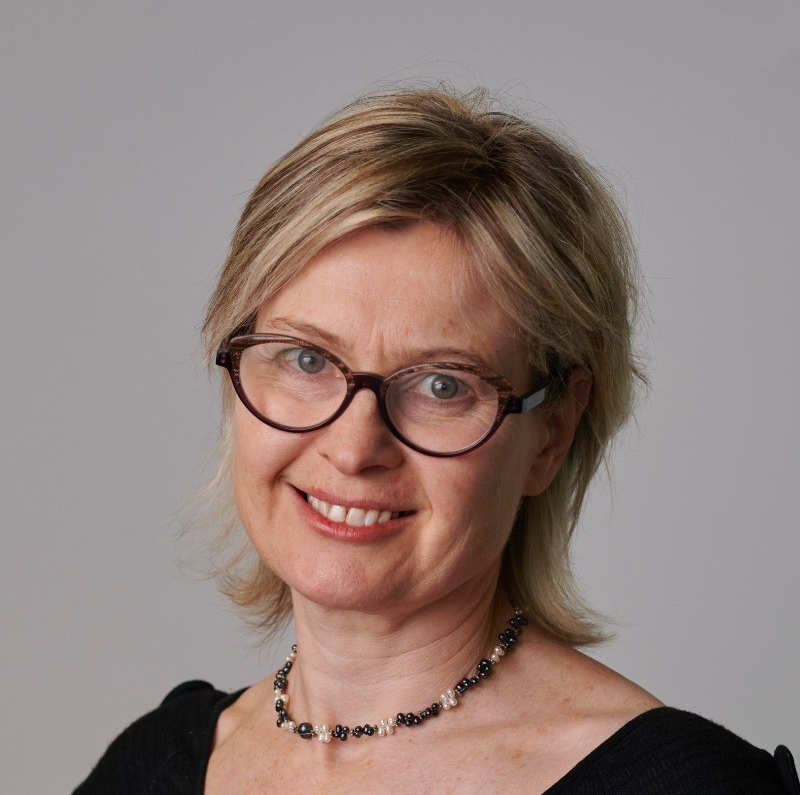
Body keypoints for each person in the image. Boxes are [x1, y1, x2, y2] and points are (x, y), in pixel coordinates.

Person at [73, 87, 798, 794]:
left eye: (442, 385)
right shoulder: (155, 767)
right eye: (307, 360)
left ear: (551, 432)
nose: (353, 449)